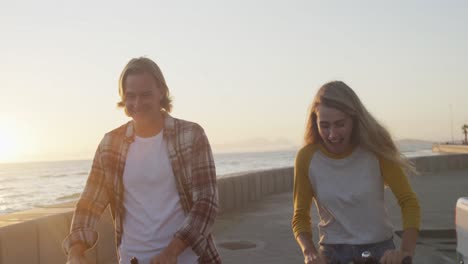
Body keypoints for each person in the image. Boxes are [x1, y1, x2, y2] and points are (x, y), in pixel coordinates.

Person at [63, 57, 221, 264]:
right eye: (131, 96)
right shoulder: (111, 144)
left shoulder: (192, 135)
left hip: (186, 259)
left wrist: (171, 252)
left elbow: (206, 202)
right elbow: (89, 203)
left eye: (146, 94)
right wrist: (75, 252)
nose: (137, 103)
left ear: (161, 92)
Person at [291, 81, 420, 264]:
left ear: (354, 119)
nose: (332, 135)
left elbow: (409, 202)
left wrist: (405, 252)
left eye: (340, 124)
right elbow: (300, 216)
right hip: (331, 254)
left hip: (380, 253)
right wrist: (309, 252)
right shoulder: (306, 158)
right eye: (324, 125)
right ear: (315, 122)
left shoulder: (377, 150)